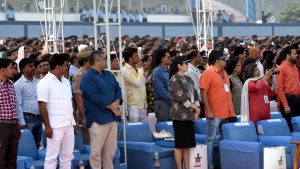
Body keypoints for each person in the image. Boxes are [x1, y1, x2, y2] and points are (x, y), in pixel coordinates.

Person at [80, 51, 122, 169]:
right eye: (104, 59)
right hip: (97, 119)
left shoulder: (108, 74)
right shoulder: (87, 77)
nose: (106, 61)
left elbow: (118, 89)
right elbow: (93, 96)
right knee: (96, 153)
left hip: (112, 118)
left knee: (110, 153)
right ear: (97, 61)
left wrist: (117, 102)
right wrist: (111, 106)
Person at [37, 54, 76, 169]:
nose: (68, 68)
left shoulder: (66, 81)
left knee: (68, 156)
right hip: (54, 126)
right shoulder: (44, 82)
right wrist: (47, 126)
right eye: (66, 66)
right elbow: (42, 106)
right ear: (58, 66)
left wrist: (73, 123)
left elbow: (69, 103)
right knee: (51, 157)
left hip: (68, 124)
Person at [199, 49, 236, 169]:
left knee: (224, 139)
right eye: (223, 59)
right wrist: (208, 110)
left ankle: (224, 163)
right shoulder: (207, 73)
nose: (225, 61)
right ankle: (209, 165)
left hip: (226, 112)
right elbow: (203, 93)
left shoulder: (224, 73)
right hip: (214, 113)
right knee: (211, 139)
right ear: (217, 61)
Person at [169, 56, 201, 169]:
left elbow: (196, 94)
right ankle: (179, 167)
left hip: (190, 115)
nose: (187, 65)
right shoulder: (173, 79)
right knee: (179, 145)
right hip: (179, 115)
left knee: (187, 145)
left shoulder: (188, 79)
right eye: (185, 64)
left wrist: (197, 110)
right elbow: (181, 98)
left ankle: (187, 167)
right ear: (179, 65)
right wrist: (195, 108)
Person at [14, 58, 41, 148]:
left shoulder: (38, 82)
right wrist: (22, 123)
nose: (33, 68)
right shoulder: (18, 84)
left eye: (33, 66)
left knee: (38, 144)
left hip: (39, 117)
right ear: (22, 69)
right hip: (27, 118)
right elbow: (18, 104)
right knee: (29, 145)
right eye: (30, 66)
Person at [0, 58, 20, 169]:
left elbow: (14, 107)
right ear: (3, 70)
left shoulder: (11, 84)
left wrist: (17, 126)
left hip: (13, 125)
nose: (14, 71)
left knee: (12, 159)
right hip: (1, 126)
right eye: (11, 68)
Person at [276, 46, 300, 131]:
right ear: (288, 55)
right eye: (294, 53)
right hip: (289, 101)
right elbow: (280, 88)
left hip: (297, 100)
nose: (296, 55)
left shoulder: (295, 67)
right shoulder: (281, 68)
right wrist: (285, 105)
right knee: (290, 127)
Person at [122, 47, 147, 122]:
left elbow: (143, 82)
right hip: (133, 106)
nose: (138, 58)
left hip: (142, 104)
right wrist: (140, 68)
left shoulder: (136, 68)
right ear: (130, 58)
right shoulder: (125, 70)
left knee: (144, 129)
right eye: (136, 56)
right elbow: (138, 83)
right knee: (135, 129)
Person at [151, 48, 172, 122]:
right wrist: (174, 100)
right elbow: (161, 91)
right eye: (168, 57)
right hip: (163, 103)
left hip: (170, 102)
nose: (170, 59)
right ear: (162, 59)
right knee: (164, 127)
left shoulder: (169, 71)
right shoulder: (157, 72)